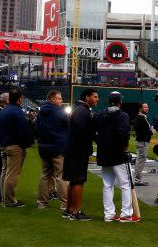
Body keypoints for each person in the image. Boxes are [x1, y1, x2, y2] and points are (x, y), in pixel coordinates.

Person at [96, 91, 138, 222]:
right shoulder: (123, 115)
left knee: (107, 185)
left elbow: (94, 132)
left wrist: (102, 144)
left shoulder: (100, 114)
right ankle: (125, 214)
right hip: (118, 154)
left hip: (103, 153)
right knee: (125, 184)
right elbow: (124, 134)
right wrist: (124, 148)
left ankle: (108, 215)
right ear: (120, 102)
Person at [63, 88, 99, 221]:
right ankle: (76, 212)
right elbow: (82, 132)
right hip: (78, 151)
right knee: (78, 180)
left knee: (73, 180)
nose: (97, 99)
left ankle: (69, 210)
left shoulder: (80, 110)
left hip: (73, 150)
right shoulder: (83, 111)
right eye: (95, 97)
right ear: (87, 97)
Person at [36, 89, 69, 212]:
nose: (61, 101)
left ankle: (41, 203)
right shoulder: (59, 112)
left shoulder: (40, 112)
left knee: (45, 175)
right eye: (59, 98)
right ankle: (65, 204)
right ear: (52, 99)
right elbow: (69, 125)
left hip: (44, 148)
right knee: (60, 176)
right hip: (57, 148)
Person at [0, 88, 29, 208]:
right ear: (20, 99)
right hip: (14, 146)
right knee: (12, 174)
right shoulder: (17, 111)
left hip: (4, 144)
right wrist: (23, 145)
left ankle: (4, 198)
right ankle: (9, 201)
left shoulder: (4, 110)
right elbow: (22, 131)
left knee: (5, 172)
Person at [133, 102, 153, 185]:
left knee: (140, 160)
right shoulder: (140, 118)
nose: (147, 108)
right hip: (142, 141)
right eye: (145, 107)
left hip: (142, 141)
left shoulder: (143, 117)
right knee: (140, 161)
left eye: (147, 107)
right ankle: (138, 180)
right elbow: (144, 131)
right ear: (140, 108)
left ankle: (138, 179)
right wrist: (151, 132)